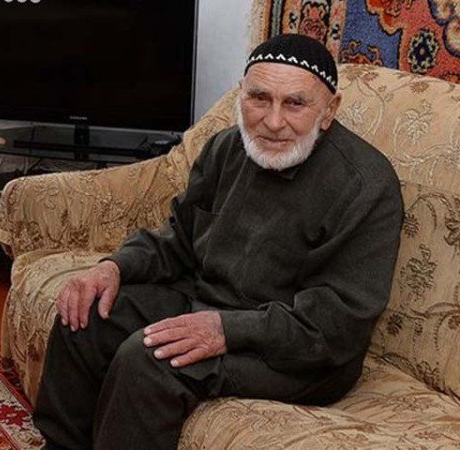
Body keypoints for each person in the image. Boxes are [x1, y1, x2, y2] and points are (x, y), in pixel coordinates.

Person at [33, 34, 403, 450]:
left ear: (329, 110)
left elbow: (335, 325)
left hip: (300, 354)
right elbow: (178, 238)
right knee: (85, 315)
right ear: (241, 95)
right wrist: (113, 267)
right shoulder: (227, 147)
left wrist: (227, 329)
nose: (273, 121)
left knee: (150, 358)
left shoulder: (366, 186)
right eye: (259, 98)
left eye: (295, 103)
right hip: (208, 302)